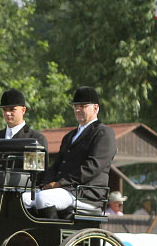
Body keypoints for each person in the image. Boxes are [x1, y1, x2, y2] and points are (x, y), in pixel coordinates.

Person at [22, 86, 117, 217]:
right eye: (75, 106)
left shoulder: (104, 133)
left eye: (83, 106)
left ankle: (51, 236)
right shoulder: (70, 136)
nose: (77, 109)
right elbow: (57, 165)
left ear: (96, 108)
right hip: (64, 190)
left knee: (43, 199)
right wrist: (46, 183)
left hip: (86, 193)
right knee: (24, 199)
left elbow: (92, 167)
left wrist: (60, 183)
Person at [0, 88, 48, 155]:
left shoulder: (36, 139)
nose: (7, 113)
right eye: (4, 110)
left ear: (23, 110)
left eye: (12, 109)